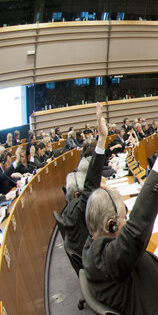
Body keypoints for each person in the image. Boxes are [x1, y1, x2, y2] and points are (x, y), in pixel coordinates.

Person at [82, 101, 158, 315]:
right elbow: (137, 228)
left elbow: (88, 191)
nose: (128, 220)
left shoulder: (92, 244)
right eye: (125, 216)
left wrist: (102, 139)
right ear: (112, 225)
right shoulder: (107, 260)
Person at [62, 104, 108, 264]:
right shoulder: (81, 209)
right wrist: (101, 140)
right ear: (76, 195)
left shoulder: (72, 210)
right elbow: (90, 185)